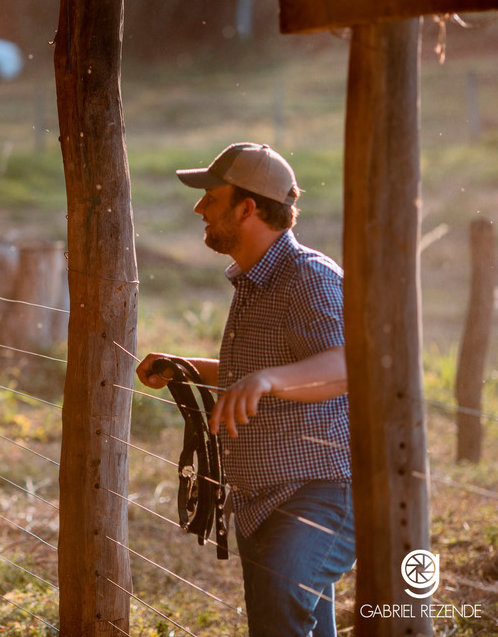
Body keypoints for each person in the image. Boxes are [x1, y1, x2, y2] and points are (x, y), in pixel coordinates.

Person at [135, 142, 355, 637]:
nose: (199, 208)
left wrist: (266, 380)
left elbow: (346, 365)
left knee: (280, 597)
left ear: (247, 208)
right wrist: (186, 368)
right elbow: (259, 370)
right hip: (262, 497)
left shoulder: (308, 277)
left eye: (211, 198)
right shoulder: (256, 280)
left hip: (321, 489)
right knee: (282, 622)